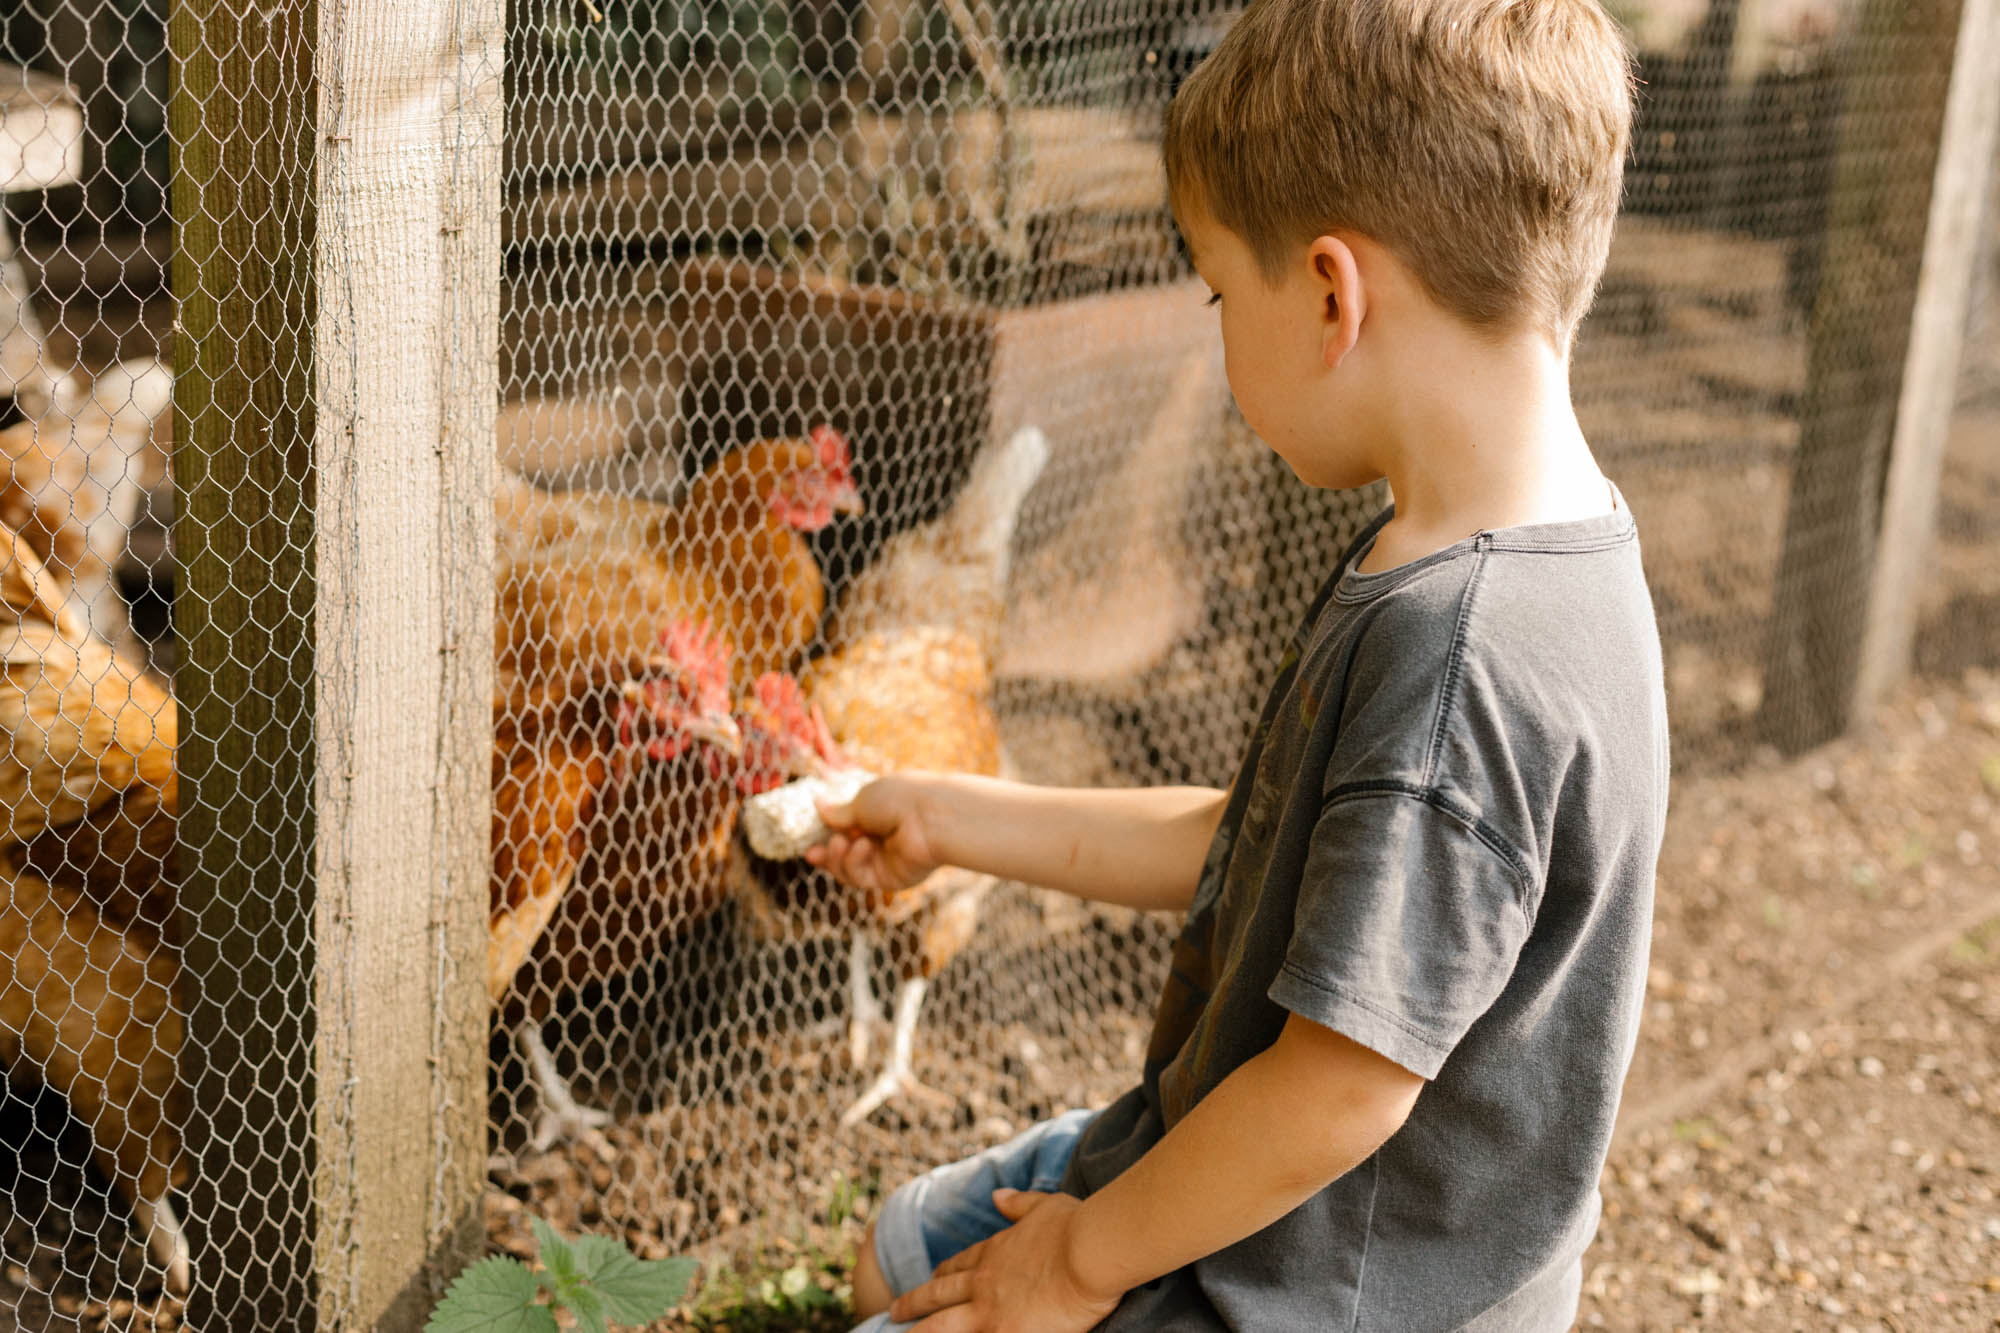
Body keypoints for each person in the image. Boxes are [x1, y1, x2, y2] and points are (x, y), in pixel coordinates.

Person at [809, 1, 1666, 1327]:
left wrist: (1076, 1262)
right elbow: (1256, 842)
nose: (1215, 331)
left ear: (1330, 295)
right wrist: (950, 815)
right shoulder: (1512, 546)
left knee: (927, 1291)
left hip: (1310, 1289)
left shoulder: (1461, 659)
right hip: (1275, 1196)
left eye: (1217, 290)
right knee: (896, 1256)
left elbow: (1339, 1087)